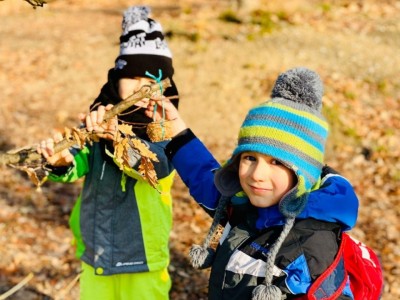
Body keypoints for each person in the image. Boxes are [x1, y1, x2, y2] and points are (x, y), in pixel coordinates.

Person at [147, 67, 359, 299]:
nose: (257, 174)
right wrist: (175, 130)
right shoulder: (245, 203)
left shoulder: (311, 248)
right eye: (250, 158)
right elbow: (204, 178)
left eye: (276, 162)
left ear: (304, 174)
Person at [37, 6, 179, 300]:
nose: (143, 88)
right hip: (97, 250)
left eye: (152, 81)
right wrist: (62, 161)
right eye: (134, 78)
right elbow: (79, 160)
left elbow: (157, 167)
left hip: (143, 257)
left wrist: (117, 139)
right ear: (117, 79)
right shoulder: (98, 118)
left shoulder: (166, 128)